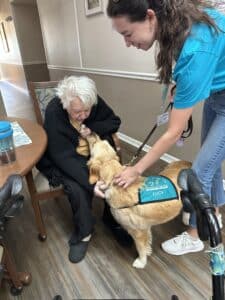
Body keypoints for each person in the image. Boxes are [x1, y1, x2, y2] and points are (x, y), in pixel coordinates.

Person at [107, 0, 225, 255]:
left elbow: (173, 133)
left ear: (150, 17)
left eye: (127, 34)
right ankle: (213, 215)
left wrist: (136, 169)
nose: (127, 43)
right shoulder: (176, 28)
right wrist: (178, 89)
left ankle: (195, 235)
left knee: (201, 171)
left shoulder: (196, 48)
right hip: (219, 94)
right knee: (211, 165)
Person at [37, 75, 132, 263]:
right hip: (67, 159)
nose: (83, 115)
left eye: (87, 110)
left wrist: (91, 126)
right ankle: (84, 232)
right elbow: (62, 156)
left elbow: (114, 121)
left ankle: (112, 218)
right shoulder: (54, 112)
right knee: (78, 188)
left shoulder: (92, 102)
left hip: (94, 154)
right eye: (77, 112)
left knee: (115, 177)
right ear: (65, 105)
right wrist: (92, 182)